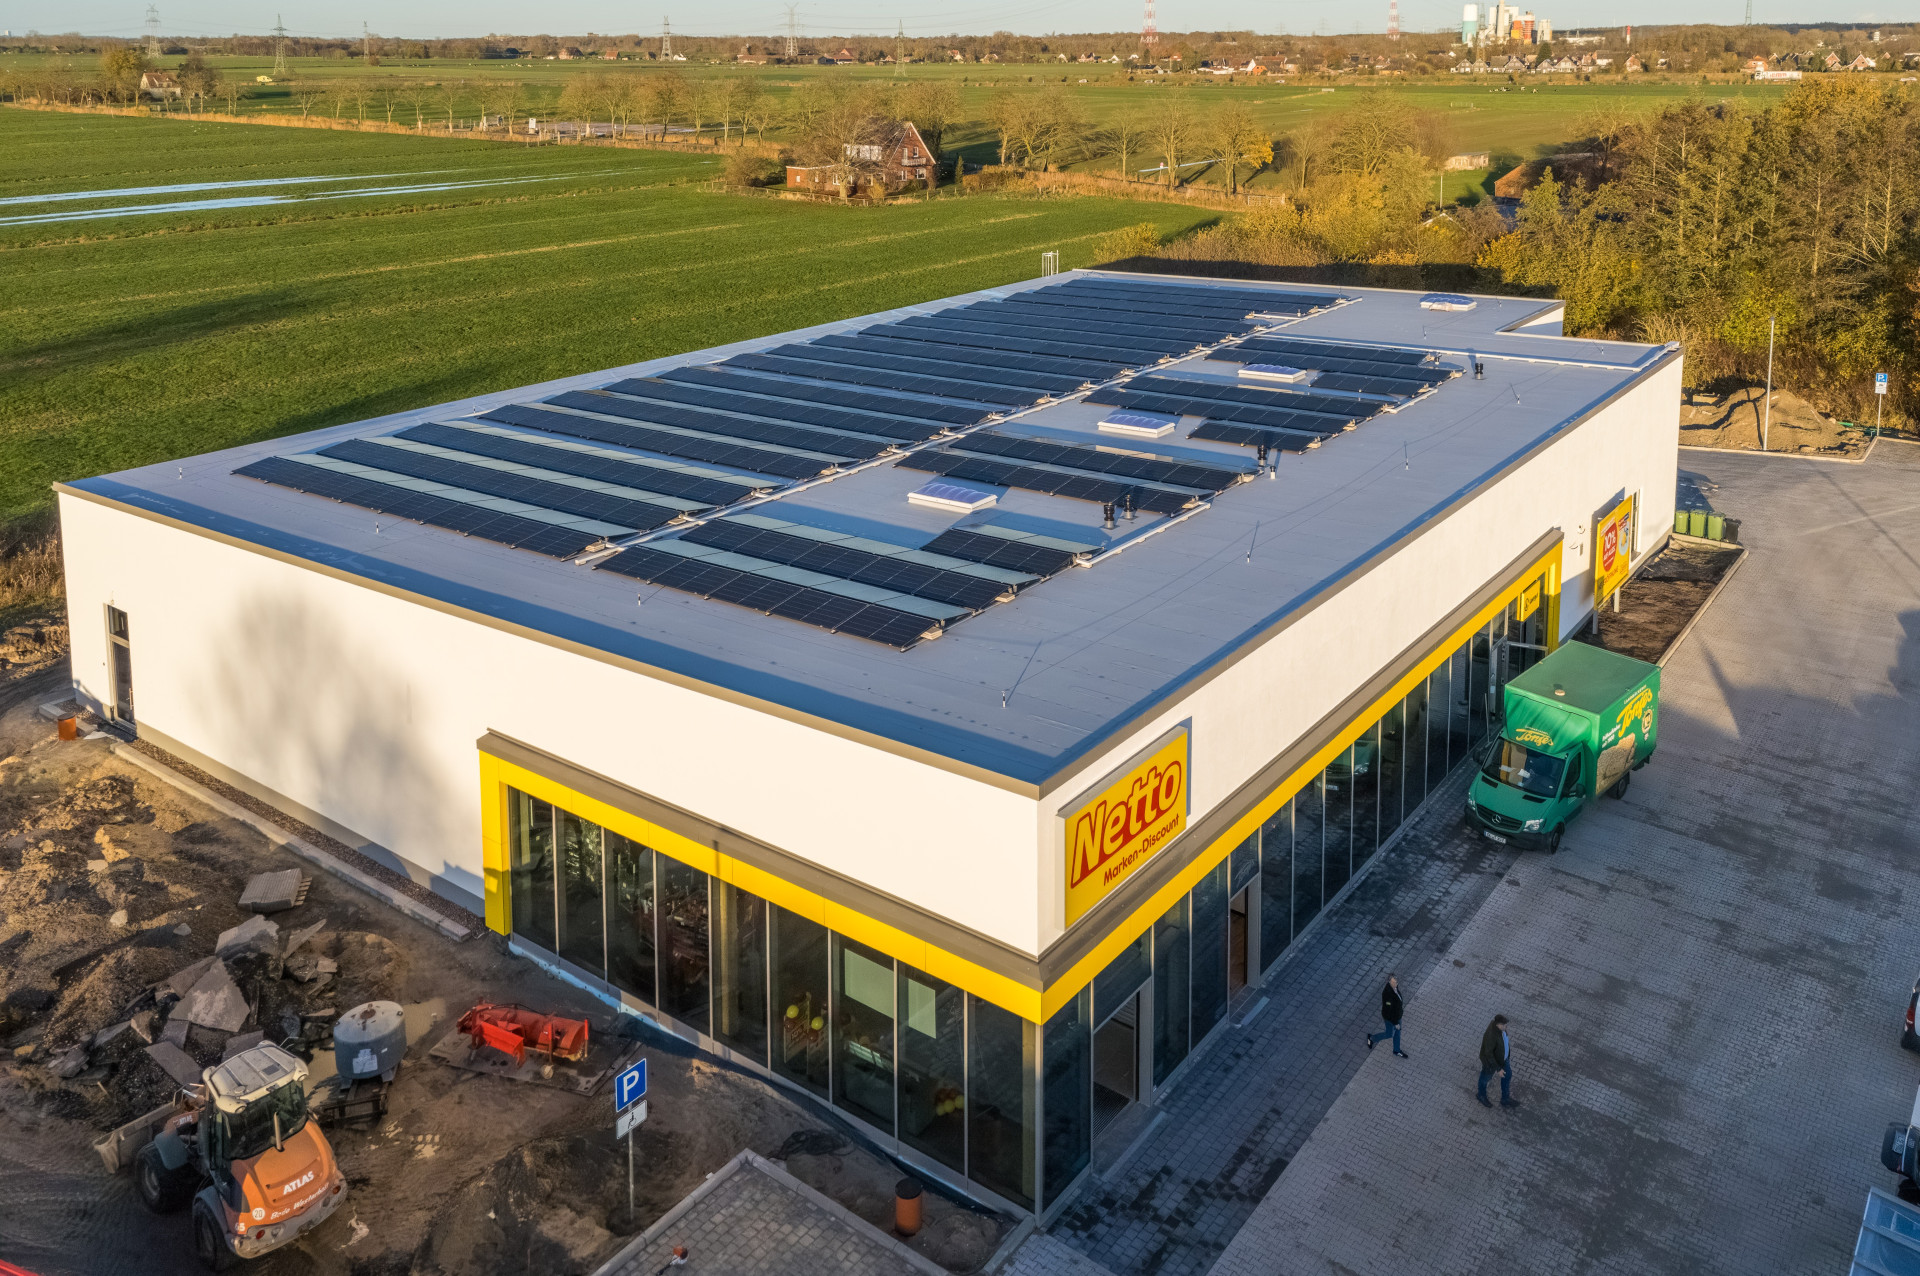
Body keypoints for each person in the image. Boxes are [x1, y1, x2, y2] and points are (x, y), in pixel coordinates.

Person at [1478, 1014, 1516, 1108]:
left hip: (1503, 1059)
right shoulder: (1491, 1035)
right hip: (1490, 1063)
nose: (1506, 1027)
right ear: (1498, 1024)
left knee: (1507, 1075)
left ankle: (1505, 1099)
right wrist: (1498, 1069)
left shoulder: (1501, 1030)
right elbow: (1488, 1054)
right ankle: (1481, 1095)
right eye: (1504, 1025)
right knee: (1485, 1078)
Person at [1365, 974, 1408, 1058]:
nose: (1396, 984)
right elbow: (1388, 1012)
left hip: (1397, 1016)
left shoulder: (1395, 988)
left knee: (1397, 1033)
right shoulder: (1388, 994)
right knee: (1389, 1034)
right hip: (1390, 1019)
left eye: (1396, 982)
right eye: (1393, 982)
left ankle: (1396, 1050)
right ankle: (1372, 1038)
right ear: (1389, 982)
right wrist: (1395, 1023)